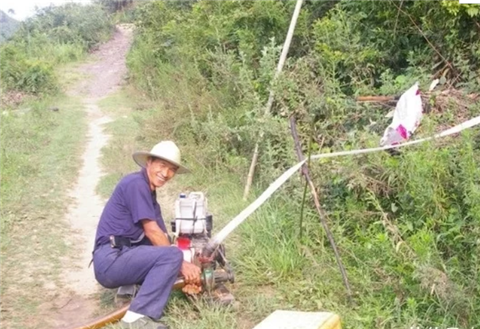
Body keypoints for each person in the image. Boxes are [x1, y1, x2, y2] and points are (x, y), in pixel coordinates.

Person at [92, 141, 201, 329]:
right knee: (172, 255)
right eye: (162, 165)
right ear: (149, 162)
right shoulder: (136, 184)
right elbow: (153, 232)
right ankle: (136, 320)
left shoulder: (151, 199)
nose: (166, 173)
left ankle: (129, 291)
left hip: (119, 257)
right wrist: (182, 264)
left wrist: (187, 277)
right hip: (109, 260)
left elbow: (162, 241)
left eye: (172, 169)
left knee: (169, 255)